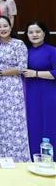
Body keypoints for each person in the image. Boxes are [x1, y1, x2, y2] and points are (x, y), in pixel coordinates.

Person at [0, 16, 30, 162]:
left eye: (5, 26)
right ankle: (1, 155)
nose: (2, 29)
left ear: (10, 27)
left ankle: (18, 156)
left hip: (13, 87)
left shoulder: (18, 44)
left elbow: (22, 68)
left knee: (15, 121)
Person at [22, 21, 56, 156]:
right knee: (33, 124)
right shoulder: (25, 51)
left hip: (48, 93)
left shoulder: (52, 50)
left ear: (44, 33)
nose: (34, 35)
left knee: (49, 123)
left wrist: (35, 74)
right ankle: (34, 157)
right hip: (30, 93)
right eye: (31, 32)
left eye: (37, 31)